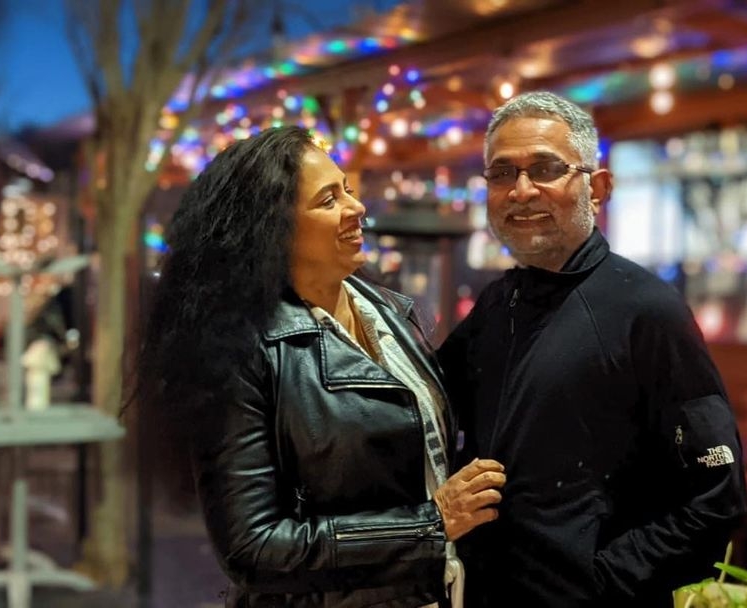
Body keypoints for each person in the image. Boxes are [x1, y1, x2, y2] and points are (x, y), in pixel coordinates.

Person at [132, 126, 505, 608]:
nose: (357, 207)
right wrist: (431, 525)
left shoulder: (392, 314)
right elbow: (253, 549)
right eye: (329, 200)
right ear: (272, 229)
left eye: (347, 189)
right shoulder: (244, 351)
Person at [437, 91, 747, 608]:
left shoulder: (645, 309)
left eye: (546, 169)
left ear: (597, 188)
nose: (521, 190)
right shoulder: (498, 304)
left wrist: (604, 581)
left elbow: (717, 495)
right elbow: (424, 409)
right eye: (502, 173)